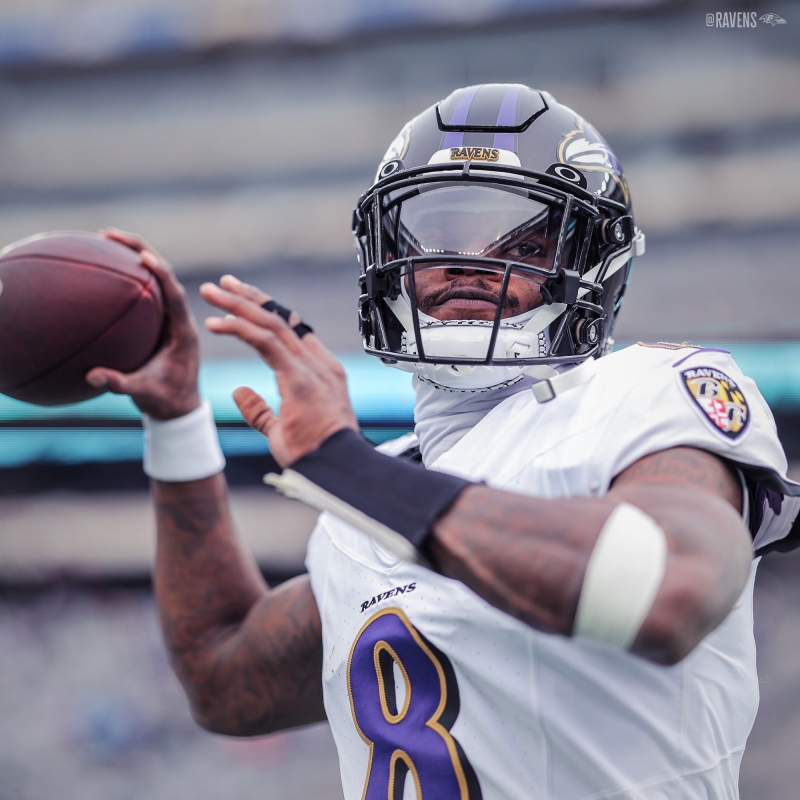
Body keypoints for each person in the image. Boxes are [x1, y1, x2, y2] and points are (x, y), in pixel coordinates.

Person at [86, 84, 800, 799]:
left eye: (524, 243)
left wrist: (349, 470)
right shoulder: (372, 497)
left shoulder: (646, 391)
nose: (471, 262)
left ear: (593, 265)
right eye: (438, 235)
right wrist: (175, 421)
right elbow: (223, 678)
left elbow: (666, 591)